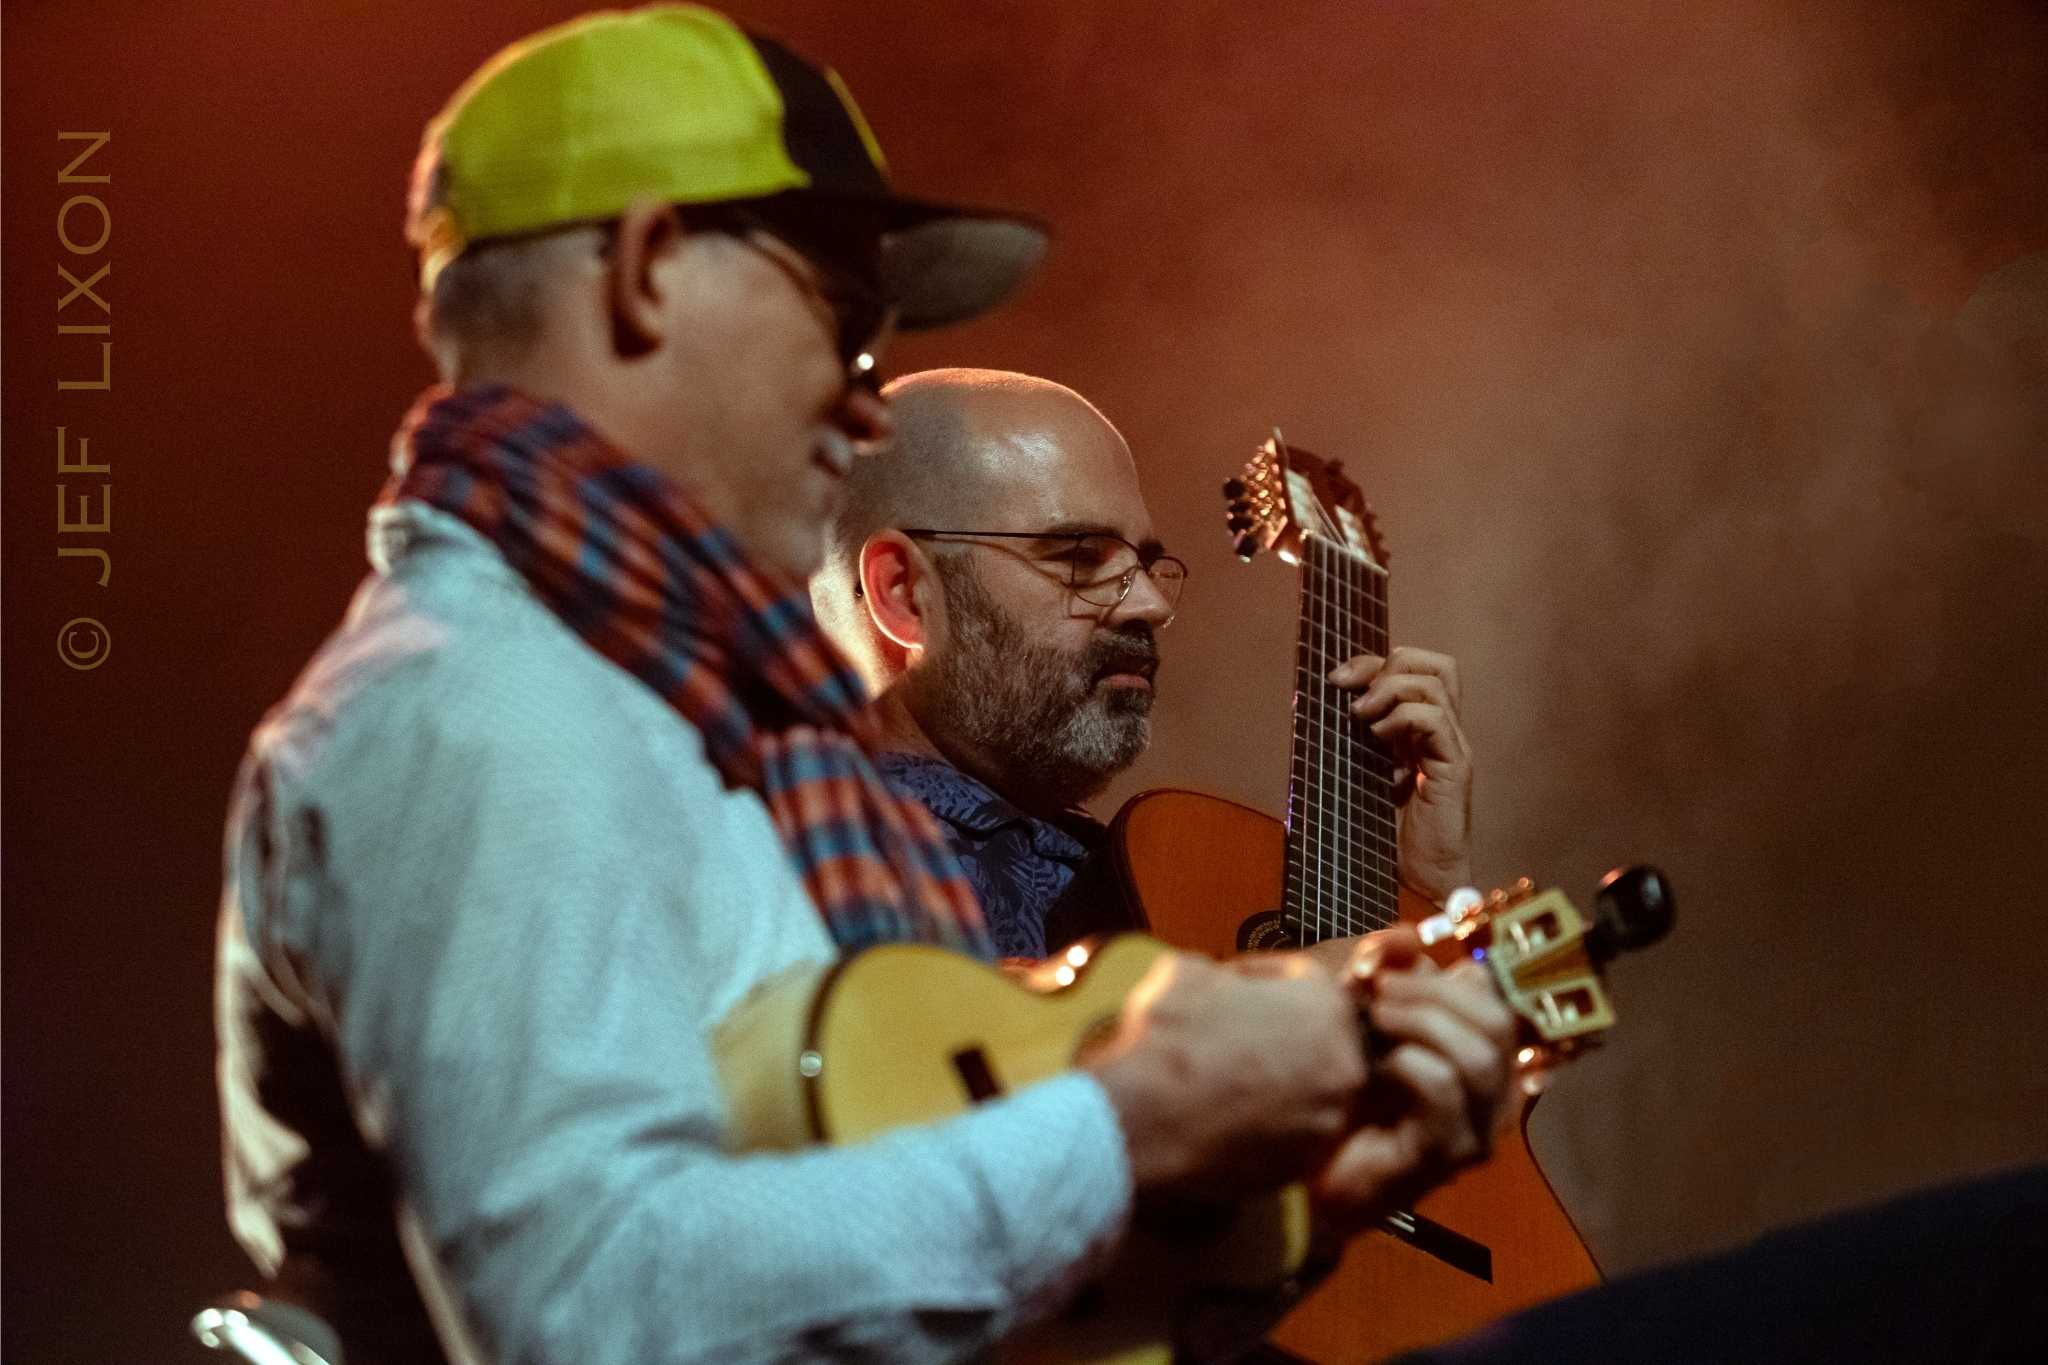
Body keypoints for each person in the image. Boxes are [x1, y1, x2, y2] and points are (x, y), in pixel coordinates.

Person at [213, 8, 1515, 1364]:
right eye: (844, 319)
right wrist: (1127, 1123)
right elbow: (589, 1312)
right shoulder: (484, 710)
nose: (866, 402)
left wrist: (1303, 1194)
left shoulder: (681, 717)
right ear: (651, 270)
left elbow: (902, 1295)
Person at [810, 367, 1477, 961]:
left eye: (1147, 562)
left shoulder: (1127, 867)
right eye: (1077, 556)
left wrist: (1426, 897)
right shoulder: (814, 863)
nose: (1152, 603)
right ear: (904, 593)